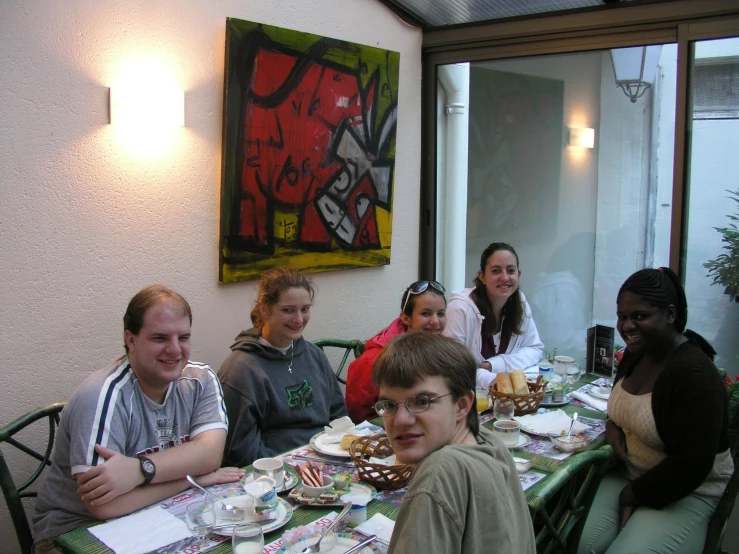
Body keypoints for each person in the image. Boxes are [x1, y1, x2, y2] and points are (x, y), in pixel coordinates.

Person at [32, 285, 241, 553]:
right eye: (160, 338)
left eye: (183, 337)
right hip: (75, 533)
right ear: (131, 340)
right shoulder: (101, 396)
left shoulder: (201, 380)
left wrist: (140, 470)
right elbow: (105, 506)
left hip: (158, 514)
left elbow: (210, 455)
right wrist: (193, 478)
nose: (175, 350)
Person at [577, 267, 734, 554]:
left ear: (670, 315)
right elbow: (620, 407)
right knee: (578, 542)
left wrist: (631, 495)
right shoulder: (637, 354)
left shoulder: (695, 375)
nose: (627, 326)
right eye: (623, 316)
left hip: (688, 491)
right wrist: (613, 427)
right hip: (632, 473)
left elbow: (691, 466)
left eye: (639, 316)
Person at [372, 331, 536, 553]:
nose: (400, 420)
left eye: (422, 401)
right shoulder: (487, 441)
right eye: (389, 405)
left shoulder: (440, 471)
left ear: (461, 405)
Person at [219, 267, 347, 467]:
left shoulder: (315, 356)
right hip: (277, 472)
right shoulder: (241, 370)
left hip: (327, 461)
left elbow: (339, 418)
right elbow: (240, 451)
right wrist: (291, 467)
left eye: (305, 309)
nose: (298, 319)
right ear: (264, 308)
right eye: (288, 310)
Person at [443, 242, 544, 389]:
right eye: (496, 271)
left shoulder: (520, 302)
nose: (504, 277)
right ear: (482, 276)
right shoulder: (460, 308)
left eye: (510, 270)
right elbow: (451, 366)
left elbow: (534, 348)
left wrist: (495, 365)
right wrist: (489, 379)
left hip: (507, 397)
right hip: (468, 397)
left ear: (519, 275)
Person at [345, 280, 447, 423]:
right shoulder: (374, 360)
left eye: (441, 314)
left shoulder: (441, 349)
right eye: (426, 314)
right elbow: (360, 418)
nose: (435, 321)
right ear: (405, 318)